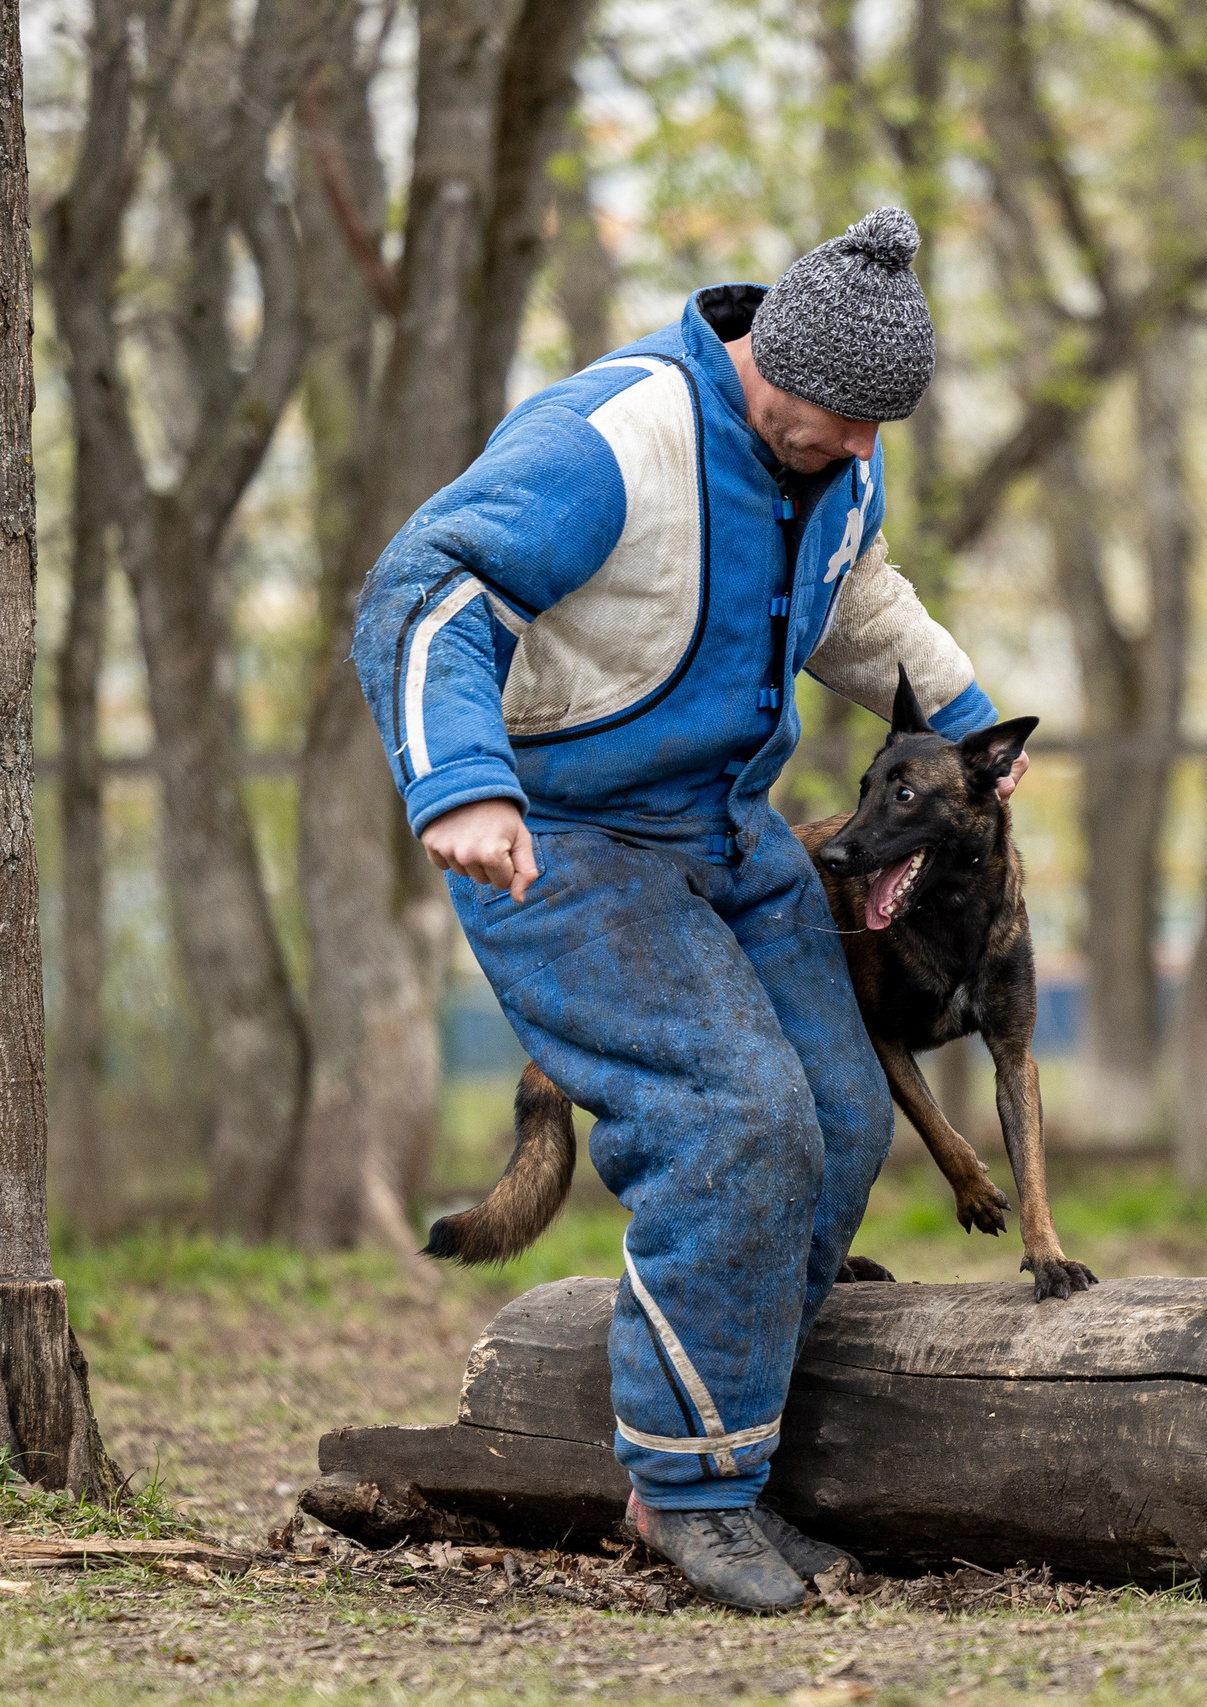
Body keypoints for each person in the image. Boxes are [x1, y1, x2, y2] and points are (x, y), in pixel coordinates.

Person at [352, 208, 1020, 1609]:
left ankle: (734, 1426)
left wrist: (970, 739)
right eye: (839, 422)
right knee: (737, 1114)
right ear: (766, 362)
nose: (858, 451)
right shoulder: (615, 437)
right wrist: (464, 784)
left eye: (876, 432)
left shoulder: (833, 459)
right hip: (570, 839)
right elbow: (424, 591)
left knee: (841, 1115)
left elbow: (855, 601)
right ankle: (685, 1490)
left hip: (730, 829)